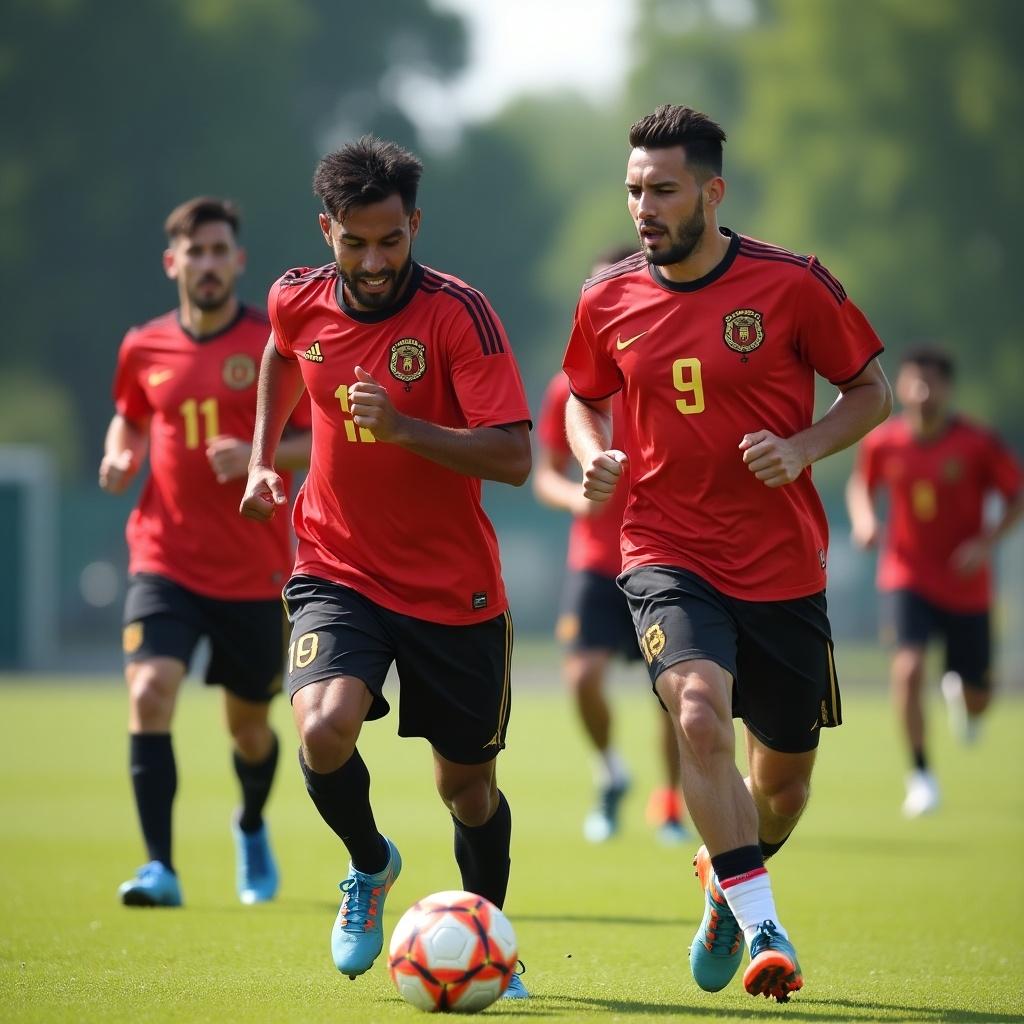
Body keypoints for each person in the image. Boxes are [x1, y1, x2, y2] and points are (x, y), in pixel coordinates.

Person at [561, 104, 891, 1002]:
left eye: (662, 190)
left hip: (783, 566)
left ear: (712, 191)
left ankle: (725, 885)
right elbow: (579, 398)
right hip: (663, 547)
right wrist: (595, 455)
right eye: (633, 189)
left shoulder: (792, 285)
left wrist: (805, 447)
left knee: (780, 789)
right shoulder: (608, 296)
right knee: (698, 715)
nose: (644, 207)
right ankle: (763, 926)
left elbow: (871, 391)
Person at [239, 136, 532, 998]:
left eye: (391, 241)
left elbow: (513, 457)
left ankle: (489, 940)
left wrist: (405, 427)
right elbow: (281, 355)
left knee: (467, 789)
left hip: (454, 588)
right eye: (354, 242)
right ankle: (370, 867)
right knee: (323, 729)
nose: (374, 262)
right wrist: (266, 458)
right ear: (326, 230)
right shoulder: (296, 298)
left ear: (415, 226)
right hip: (337, 564)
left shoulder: (459, 315)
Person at [100, 196, 312, 908]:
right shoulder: (143, 346)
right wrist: (118, 457)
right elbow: (129, 420)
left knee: (249, 730)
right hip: (163, 559)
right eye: (197, 253)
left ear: (239, 261)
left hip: (254, 570)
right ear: (173, 264)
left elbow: (320, 437)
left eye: (221, 252)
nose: (210, 264)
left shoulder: (271, 344)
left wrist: (260, 457)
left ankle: (250, 825)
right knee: (149, 690)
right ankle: (160, 867)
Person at [534, 244, 688, 846]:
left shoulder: (670, 369)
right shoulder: (566, 389)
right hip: (596, 561)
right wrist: (575, 499)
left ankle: (671, 801)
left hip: (666, 552)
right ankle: (611, 772)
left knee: (676, 692)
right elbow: (542, 469)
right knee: (581, 676)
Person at [846, 346, 1023, 817]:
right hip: (906, 574)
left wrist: (986, 544)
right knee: (907, 668)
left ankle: (965, 698)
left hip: (967, 585)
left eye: (932, 383)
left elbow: (1015, 496)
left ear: (948, 389)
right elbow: (861, 485)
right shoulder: (885, 442)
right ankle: (921, 775)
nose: (922, 393)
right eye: (913, 382)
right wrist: (865, 520)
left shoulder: (978, 443)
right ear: (901, 387)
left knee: (980, 700)